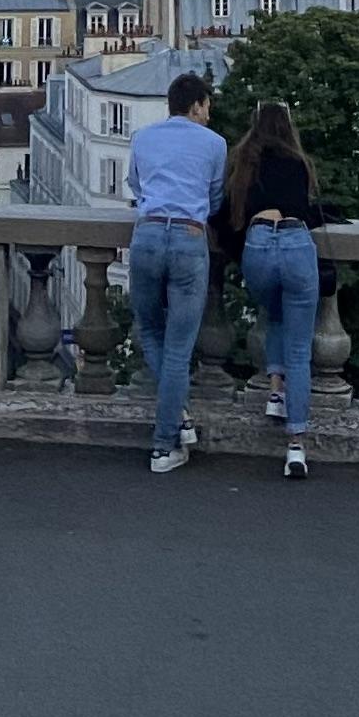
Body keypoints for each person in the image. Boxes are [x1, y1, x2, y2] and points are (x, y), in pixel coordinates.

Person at [129, 70, 227, 472]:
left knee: (150, 330)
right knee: (179, 349)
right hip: (189, 239)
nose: (208, 114)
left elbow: (136, 186)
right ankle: (164, 443)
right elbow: (215, 196)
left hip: (147, 235)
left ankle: (179, 415)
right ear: (196, 105)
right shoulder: (215, 143)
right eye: (207, 107)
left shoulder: (142, 138)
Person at [222, 99, 324, 480]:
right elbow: (305, 208)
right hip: (296, 243)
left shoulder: (244, 163)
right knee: (300, 350)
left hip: (259, 246)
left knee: (275, 311)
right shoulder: (299, 163)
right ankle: (295, 448)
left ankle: (276, 389)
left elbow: (231, 214)